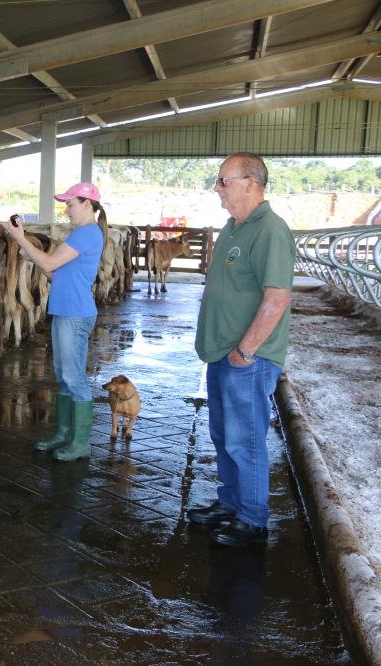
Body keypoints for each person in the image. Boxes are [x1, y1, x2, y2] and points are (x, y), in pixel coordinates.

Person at [187, 152, 295, 548]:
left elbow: (277, 298)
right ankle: (230, 504)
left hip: (247, 359)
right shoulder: (234, 227)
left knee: (244, 438)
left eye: (223, 181)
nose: (217, 188)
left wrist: (246, 352)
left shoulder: (269, 230)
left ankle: (252, 520)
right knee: (222, 434)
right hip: (222, 353)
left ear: (251, 183)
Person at [1, 183, 106, 462]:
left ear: (87, 204)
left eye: (70, 204)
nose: (66, 210)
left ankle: (81, 442)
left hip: (75, 313)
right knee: (63, 376)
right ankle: (64, 434)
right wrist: (32, 257)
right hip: (66, 310)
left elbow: (49, 265)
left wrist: (20, 237)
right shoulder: (80, 234)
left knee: (74, 377)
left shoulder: (86, 234)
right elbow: (55, 274)